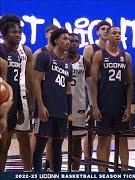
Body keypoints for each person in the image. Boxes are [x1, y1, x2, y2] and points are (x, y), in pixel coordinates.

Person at [91, 26, 132, 172]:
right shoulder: (99, 55)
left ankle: (125, 170)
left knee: (123, 139)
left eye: (119, 33)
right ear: (107, 36)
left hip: (120, 105)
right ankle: (103, 171)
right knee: (104, 139)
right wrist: (94, 105)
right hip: (104, 104)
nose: (117, 35)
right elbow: (93, 82)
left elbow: (129, 84)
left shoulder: (126, 56)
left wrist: (128, 106)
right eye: (114, 33)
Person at [32, 28, 72, 172]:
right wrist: (40, 106)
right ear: (56, 41)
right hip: (46, 108)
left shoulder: (68, 64)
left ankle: (57, 173)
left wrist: (69, 111)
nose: (68, 42)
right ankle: (36, 173)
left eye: (69, 39)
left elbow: (68, 90)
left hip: (61, 111)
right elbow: (36, 81)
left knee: (58, 145)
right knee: (41, 142)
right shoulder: (45, 56)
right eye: (65, 39)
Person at [0, 14, 34, 172]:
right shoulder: (1, 50)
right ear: (5, 33)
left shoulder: (21, 54)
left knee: (7, 143)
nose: (18, 34)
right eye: (14, 32)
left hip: (14, 101)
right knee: (2, 143)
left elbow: (19, 83)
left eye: (19, 32)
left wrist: (20, 107)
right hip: (2, 102)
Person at [30, 24, 59, 171]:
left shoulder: (61, 56)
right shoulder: (39, 53)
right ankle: (32, 167)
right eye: (51, 33)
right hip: (41, 100)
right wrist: (35, 103)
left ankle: (49, 164)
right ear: (46, 35)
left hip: (55, 101)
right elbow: (33, 79)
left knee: (52, 137)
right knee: (38, 135)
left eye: (56, 33)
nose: (53, 36)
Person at [82, 21, 111, 162]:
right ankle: (87, 161)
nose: (106, 31)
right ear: (97, 32)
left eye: (108, 29)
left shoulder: (114, 50)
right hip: (92, 93)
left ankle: (102, 163)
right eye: (103, 29)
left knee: (105, 133)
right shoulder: (90, 49)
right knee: (91, 131)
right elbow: (86, 75)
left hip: (108, 94)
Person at [66, 33, 92, 171]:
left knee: (76, 141)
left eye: (77, 41)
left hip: (79, 105)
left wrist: (92, 105)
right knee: (55, 139)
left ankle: (75, 171)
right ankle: (53, 167)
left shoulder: (84, 61)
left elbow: (90, 85)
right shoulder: (59, 59)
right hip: (62, 104)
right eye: (71, 41)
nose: (74, 43)